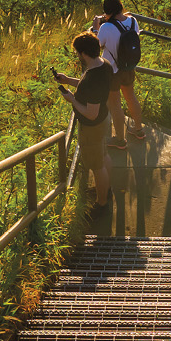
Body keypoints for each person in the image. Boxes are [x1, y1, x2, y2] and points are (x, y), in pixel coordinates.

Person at [53, 32, 115, 212]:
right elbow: (89, 90)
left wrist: (71, 99)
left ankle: (101, 204)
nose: (77, 56)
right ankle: (106, 189)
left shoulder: (91, 79)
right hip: (105, 119)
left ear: (84, 53)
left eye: (77, 53)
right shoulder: (105, 64)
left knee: (97, 166)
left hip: (92, 127)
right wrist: (68, 80)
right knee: (104, 157)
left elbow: (90, 114)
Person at [94, 0, 147, 148]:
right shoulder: (132, 21)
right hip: (129, 67)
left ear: (106, 11)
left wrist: (96, 28)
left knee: (114, 103)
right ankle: (139, 130)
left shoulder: (106, 27)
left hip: (113, 70)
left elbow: (98, 46)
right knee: (131, 97)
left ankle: (119, 139)